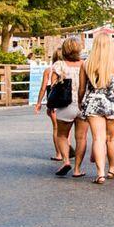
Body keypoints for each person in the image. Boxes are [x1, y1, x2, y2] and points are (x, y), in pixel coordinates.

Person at [79, 29, 114, 184]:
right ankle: (111, 168)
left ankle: (100, 173)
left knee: (98, 139)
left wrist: (80, 102)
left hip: (93, 102)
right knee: (112, 138)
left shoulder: (86, 64)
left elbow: (82, 88)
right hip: (112, 103)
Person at [40, 38, 85, 176]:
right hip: (83, 104)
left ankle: (66, 161)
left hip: (66, 105)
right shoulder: (85, 64)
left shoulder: (59, 65)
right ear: (79, 49)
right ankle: (77, 169)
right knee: (81, 138)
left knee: (62, 135)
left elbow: (53, 85)